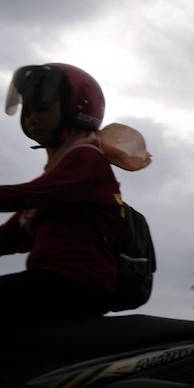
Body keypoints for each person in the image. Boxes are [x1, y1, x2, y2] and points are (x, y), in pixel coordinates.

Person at [0, 63, 148, 323]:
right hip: (54, 282)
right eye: (28, 111)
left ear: (76, 109)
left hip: (75, 284)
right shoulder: (59, 172)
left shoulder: (86, 158)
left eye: (43, 109)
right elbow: (12, 234)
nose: (33, 118)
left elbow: (25, 195)